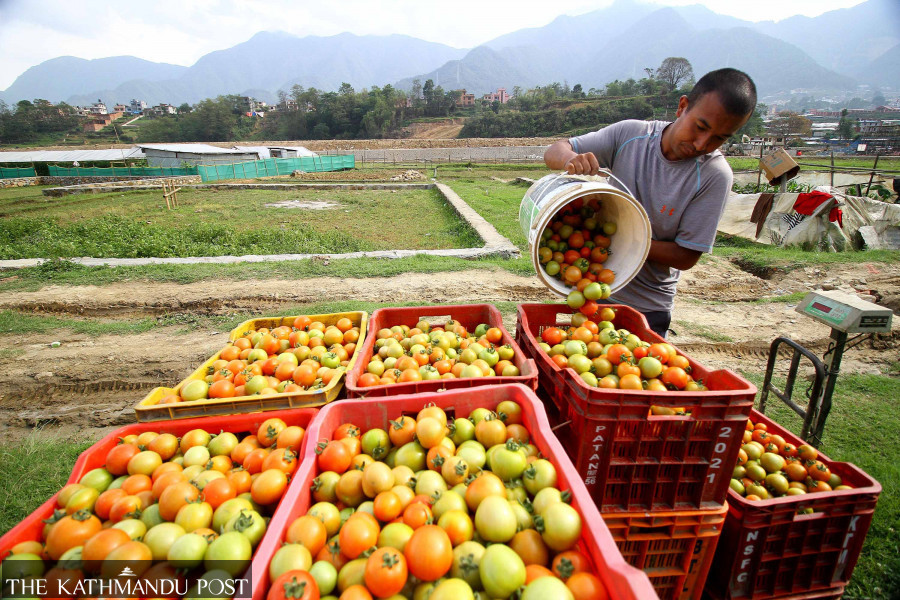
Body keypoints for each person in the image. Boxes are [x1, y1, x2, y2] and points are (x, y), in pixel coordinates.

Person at [544, 68, 757, 338]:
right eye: (700, 127)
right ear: (682, 106)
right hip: (589, 293)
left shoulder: (714, 175)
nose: (702, 143)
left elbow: (686, 256)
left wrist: (620, 240)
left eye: (720, 138)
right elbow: (554, 150)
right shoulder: (630, 135)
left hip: (646, 307)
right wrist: (570, 159)